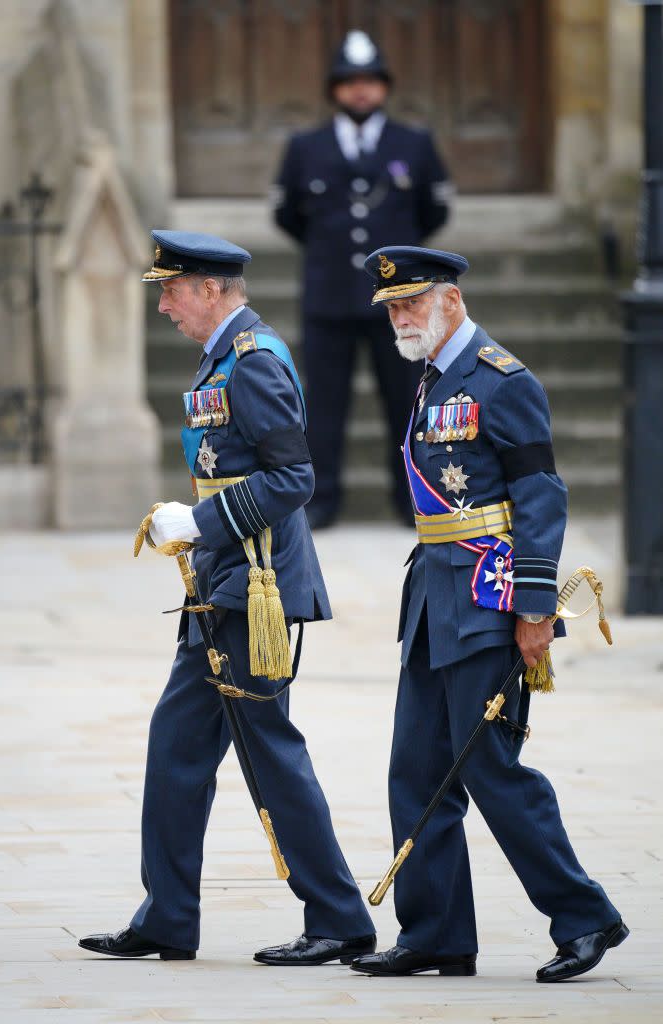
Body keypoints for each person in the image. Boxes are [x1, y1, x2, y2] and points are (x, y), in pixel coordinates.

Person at [78, 231, 375, 964]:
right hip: (221, 583)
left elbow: (293, 478)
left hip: (255, 586)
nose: (163, 307)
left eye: (172, 290)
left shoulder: (253, 361)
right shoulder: (222, 358)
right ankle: (168, 916)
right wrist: (199, 526)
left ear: (210, 290)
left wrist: (201, 520)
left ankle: (339, 919)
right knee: (176, 748)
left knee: (269, 751)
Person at [350, 245, 628, 982]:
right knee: (415, 772)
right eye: (392, 308)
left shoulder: (501, 380)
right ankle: (435, 933)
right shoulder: (432, 376)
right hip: (430, 603)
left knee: (491, 772)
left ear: (451, 300)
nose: (399, 317)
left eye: (411, 303)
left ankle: (586, 918)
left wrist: (534, 608)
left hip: (486, 598)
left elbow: (541, 494)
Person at [272, 30, 452, 529]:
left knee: (407, 401)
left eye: (370, 81)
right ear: (334, 89)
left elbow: (432, 211)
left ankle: (412, 498)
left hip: (400, 304)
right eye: (350, 82)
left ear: (385, 87)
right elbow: (287, 214)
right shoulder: (305, 146)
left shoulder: (413, 144)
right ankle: (322, 499)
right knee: (324, 405)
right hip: (328, 295)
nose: (360, 91)